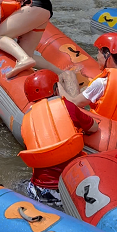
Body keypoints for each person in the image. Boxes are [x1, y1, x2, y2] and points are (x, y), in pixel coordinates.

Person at [21, 70, 98, 207]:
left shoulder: (27, 120)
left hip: (39, 190)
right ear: (56, 89)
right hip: (69, 188)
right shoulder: (68, 107)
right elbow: (93, 127)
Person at [57, 34, 117, 124]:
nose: (97, 57)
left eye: (98, 52)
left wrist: (57, 84)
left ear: (107, 55)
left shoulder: (101, 83)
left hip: (101, 128)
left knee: (67, 75)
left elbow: (74, 103)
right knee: (76, 81)